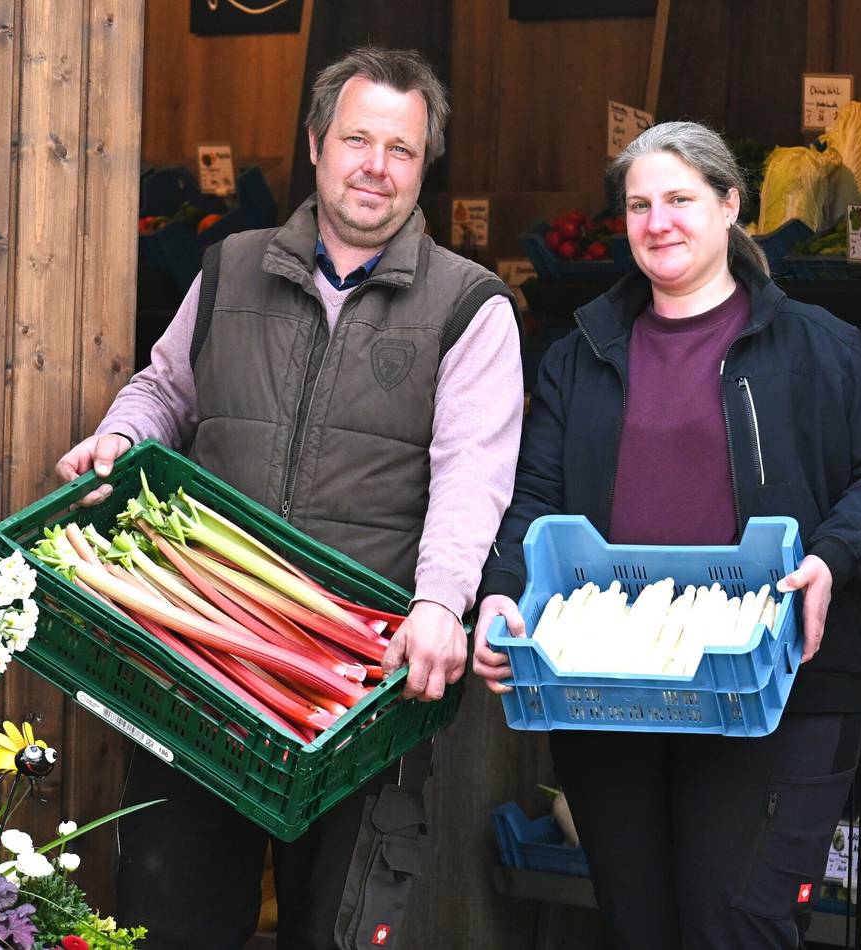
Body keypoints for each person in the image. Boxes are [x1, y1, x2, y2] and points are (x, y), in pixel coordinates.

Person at [55, 47, 523, 949]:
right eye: (357, 139)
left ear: (424, 167)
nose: (376, 166)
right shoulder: (229, 269)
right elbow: (165, 390)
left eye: (401, 148)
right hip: (204, 666)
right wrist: (123, 433)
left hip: (356, 682)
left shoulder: (471, 307)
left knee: (336, 928)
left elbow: (474, 475)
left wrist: (438, 604)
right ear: (316, 143)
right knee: (170, 915)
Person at [472, 120, 861, 950]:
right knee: (640, 926)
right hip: (612, 694)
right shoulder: (581, 354)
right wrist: (499, 594)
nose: (658, 221)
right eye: (638, 205)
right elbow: (535, 499)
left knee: (733, 921)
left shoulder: (819, 349)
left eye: (680, 200)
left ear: (731, 207)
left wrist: (830, 559)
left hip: (776, 693)